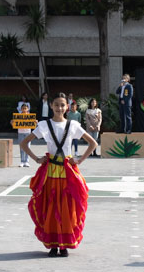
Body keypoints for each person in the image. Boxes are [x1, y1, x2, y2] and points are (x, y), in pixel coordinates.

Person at [20, 93, 98, 257]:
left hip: (68, 171)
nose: (59, 108)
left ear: (67, 107)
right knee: (51, 206)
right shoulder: (43, 125)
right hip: (51, 171)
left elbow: (93, 143)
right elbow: (24, 143)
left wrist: (80, 160)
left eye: (62, 105)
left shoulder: (73, 125)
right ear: (51, 106)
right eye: (56, 105)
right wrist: (36, 159)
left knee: (67, 207)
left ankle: (64, 245)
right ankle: (53, 245)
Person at [12, 102, 33, 167]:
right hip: (20, 132)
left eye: (25, 108)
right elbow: (14, 125)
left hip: (28, 132)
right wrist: (12, 122)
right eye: (23, 108)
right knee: (21, 147)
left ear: (28, 109)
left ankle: (26, 161)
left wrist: (35, 122)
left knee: (27, 147)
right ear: (21, 109)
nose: (24, 110)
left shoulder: (30, 116)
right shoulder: (18, 116)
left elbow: (34, 125)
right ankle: (22, 161)